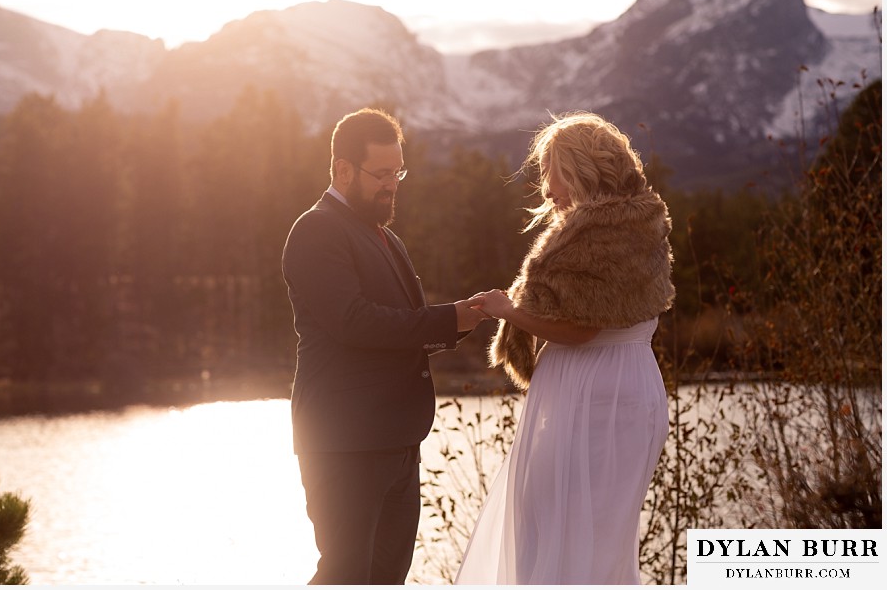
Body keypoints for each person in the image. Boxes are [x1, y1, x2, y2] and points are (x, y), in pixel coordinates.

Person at [455, 111, 676, 585]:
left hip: (594, 394)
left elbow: (582, 329)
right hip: (625, 387)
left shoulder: (596, 234)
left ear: (577, 168)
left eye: (549, 170)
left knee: (563, 529)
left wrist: (506, 309)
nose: (545, 187)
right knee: (594, 536)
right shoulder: (640, 225)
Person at [282, 107, 486, 585]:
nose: (392, 184)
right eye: (380, 174)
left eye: (398, 173)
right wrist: (445, 318)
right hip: (344, 442)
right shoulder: (316, 230)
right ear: (342, 170)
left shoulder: (385, 237)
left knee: (387, 576)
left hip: (397, 441)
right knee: (344, 574)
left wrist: (459, 323)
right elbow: (353, 323)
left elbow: (400, 331)